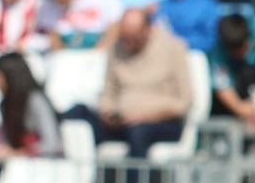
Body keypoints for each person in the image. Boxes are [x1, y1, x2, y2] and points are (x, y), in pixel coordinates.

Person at [63, 11, 195, 157]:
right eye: (124, 37)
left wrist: (142, 116)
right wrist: (108, 113)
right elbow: (108, 92)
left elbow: (184, 102)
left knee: (138, 132)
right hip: (121, 121)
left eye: (134, 38)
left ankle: (136, 173)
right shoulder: (115, 48)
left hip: (159, 123)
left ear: (147, 29)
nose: (128, 44)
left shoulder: (173, 48)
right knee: (77, 113)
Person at [0, 52, 63, 159]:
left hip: (45, 164)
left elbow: (53, 144)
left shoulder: (36, 100)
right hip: (20, 164)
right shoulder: (4, 105)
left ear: (10, 76)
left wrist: (21, 153)